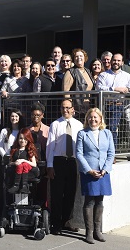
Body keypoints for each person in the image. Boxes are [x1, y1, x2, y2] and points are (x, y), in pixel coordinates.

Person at [76, 108, 114, 244]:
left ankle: (98, 231)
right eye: (90, 117)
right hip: (89, 172)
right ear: (87, 119)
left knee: (100, 201)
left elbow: (111, 153)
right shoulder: (82, 134)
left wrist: (105, 169)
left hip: (103, 173)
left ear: (100, 119)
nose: (93, 119)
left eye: (95, 117)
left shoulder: (107, 133)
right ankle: (89, 232)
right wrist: (89, 170)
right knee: (89, 201)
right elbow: (79, 154)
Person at [46, 99, 84, 235]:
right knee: (57, 194)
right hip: (59, 161)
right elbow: (50, 146)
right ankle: (55, 224)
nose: (65, 110)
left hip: (73, 162)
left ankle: (67, 221)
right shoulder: (55, 124)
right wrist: (50, 166)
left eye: (68, 108)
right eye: (63, 108)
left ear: (73, 109)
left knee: (70, 193)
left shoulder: (79, 125)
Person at [96, 53, 130, 147]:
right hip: (104, 106)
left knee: (112, 128)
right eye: (114, 60)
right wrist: (115, 89)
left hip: (118, 105)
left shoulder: (127, 76)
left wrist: (128, 90)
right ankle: (103, 150)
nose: (116, 62)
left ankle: (112, 152)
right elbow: (99, 88)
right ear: (111, 61)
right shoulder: (103, 75)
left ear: (122, 63)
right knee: (102, 129)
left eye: (118, 61)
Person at [63, 49, 95, 118]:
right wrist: (69, 108)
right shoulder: (70, 72)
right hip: (77, 109)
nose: (79, 58)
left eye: (81, 56)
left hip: (88, 108)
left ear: (85, 58)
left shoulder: (88, 71)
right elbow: (66, 92)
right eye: (76, 56)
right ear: (73, 59)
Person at [7, 128, 39, 194]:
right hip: (16, 170)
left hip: (28, 170)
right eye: (21, 138)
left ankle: (24, 186)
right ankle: (16, 186)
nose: (22, 141)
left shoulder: (29, 150)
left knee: (24, 164)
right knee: (20, 165)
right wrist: (14, 163)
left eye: (25, 139)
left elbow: (34, 164)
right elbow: (9, 162)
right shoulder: (14, 149)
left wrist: (24, 160)